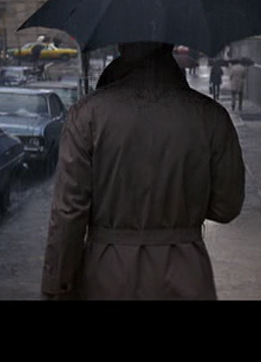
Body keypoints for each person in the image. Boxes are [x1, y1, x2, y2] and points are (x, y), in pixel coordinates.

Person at [42, 41, 245, 300]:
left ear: (122, 47)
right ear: (168, 46)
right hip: (187, 274)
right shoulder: (211, 116)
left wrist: (56, 284)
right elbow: (227, 207)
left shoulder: (87, 116)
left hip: (107, 277)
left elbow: (69, 212)